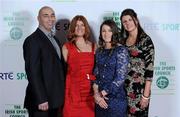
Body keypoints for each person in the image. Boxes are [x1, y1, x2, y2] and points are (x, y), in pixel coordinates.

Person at [23, 6, 65, 117]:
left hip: (54, 99)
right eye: (45, 16)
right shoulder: (32, 40)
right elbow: (32, 71)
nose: (50, 19)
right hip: (41, 102)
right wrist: (41, 99)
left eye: (52, 15)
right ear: (38, 18)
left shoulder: (54, 39)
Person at [120, 8, 155, 117]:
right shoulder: (123, 41)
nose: (127, 23)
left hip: (139, 91)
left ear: (136, 20)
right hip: (124, 90)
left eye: (130, 19)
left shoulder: (145, 40)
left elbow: (150, 70)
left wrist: (146, 95)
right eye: (124, 21)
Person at [93, 20, 129, 117]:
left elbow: (120, 78)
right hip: (100, 101)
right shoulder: (99, 51)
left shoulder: (121, 50)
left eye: (109, 30)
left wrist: (102, 94)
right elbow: (95, 75)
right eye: (103, 31)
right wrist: (96, 94)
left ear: (114, 32)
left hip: (116, 100)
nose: (106, 34)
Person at [62, 15, 96, 117]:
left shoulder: (94, 46)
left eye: (82, 25)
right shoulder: (66, 47)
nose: (80, 28)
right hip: (73, 92)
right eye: (76, 25)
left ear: (86, 27)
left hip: (90, 91)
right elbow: (65, 70)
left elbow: (97, 70)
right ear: (72, 28)